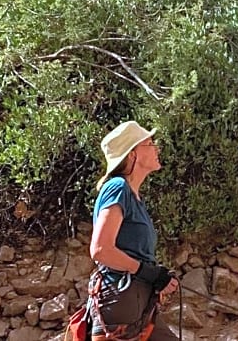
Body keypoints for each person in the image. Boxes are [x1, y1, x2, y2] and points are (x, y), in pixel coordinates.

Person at [88, 121, 178, 340]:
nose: (156, 147)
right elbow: (100, 249)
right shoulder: (117, 188)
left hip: (136, 301)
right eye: (149, 143)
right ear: (132, 155)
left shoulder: (133, 196)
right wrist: (145, 271)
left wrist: (157, 277)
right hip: (121, 300)